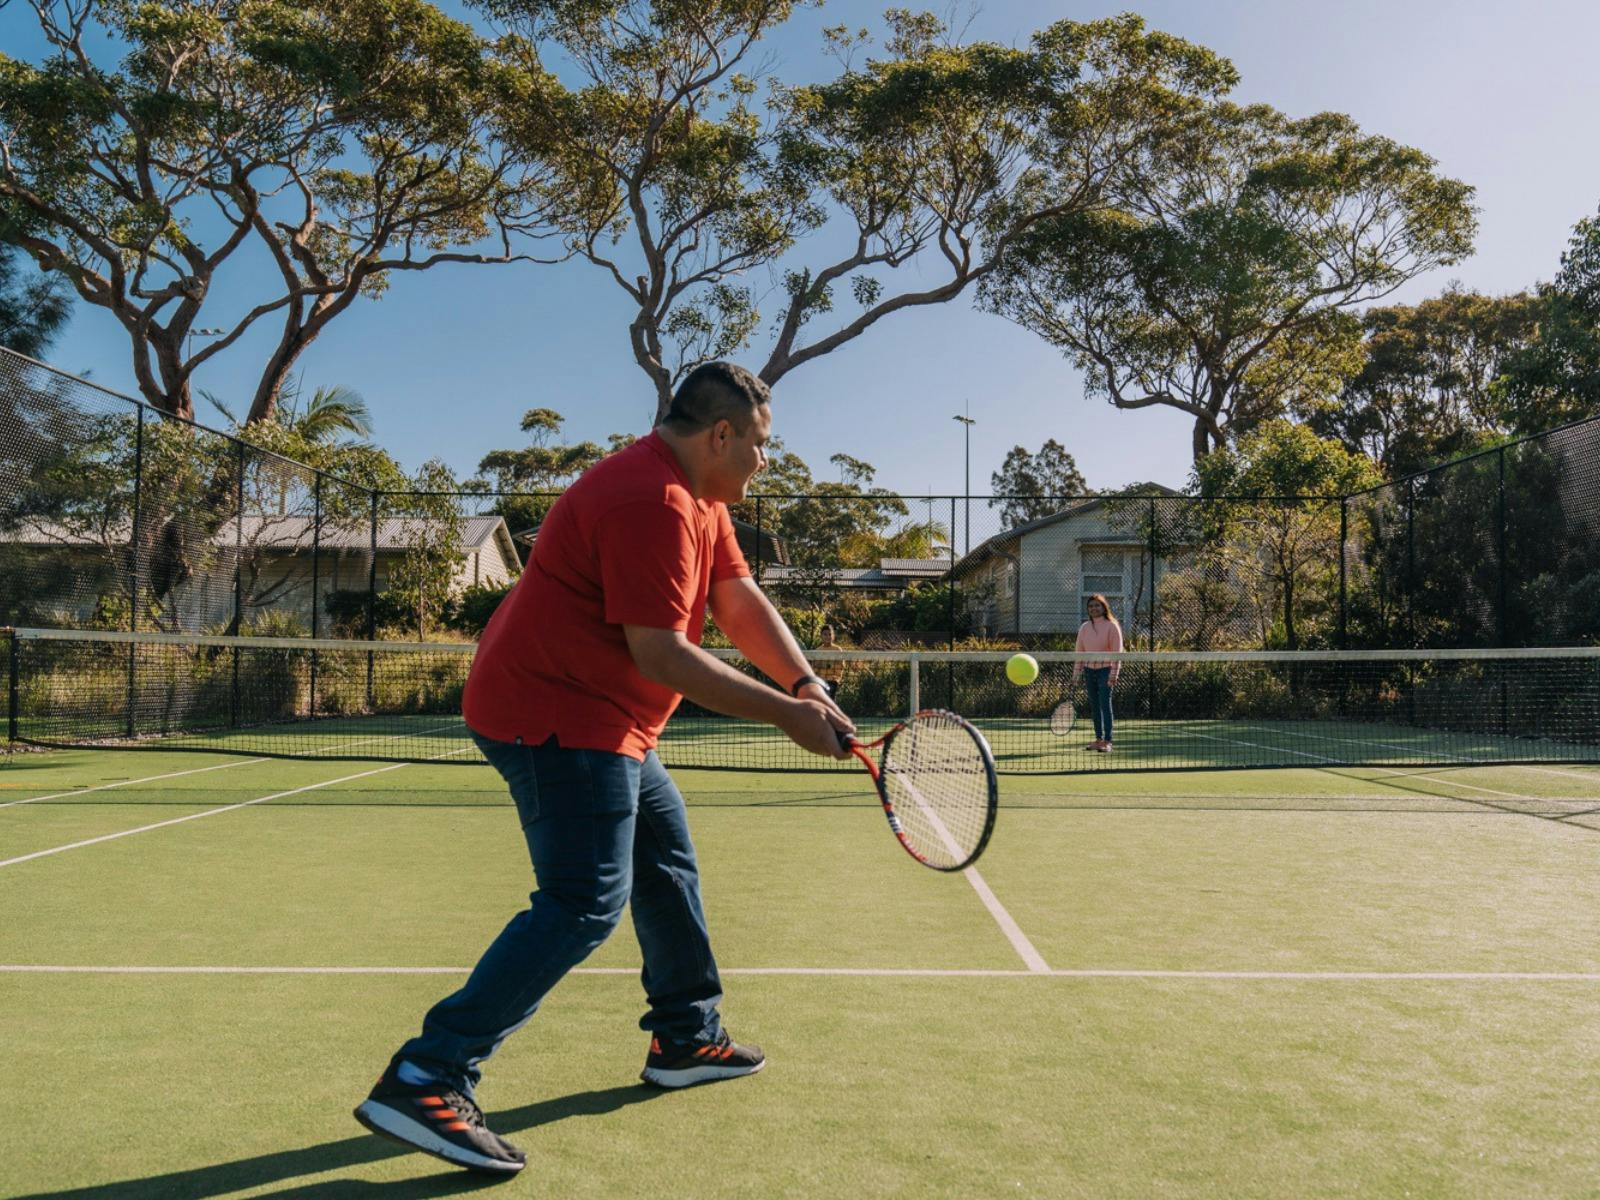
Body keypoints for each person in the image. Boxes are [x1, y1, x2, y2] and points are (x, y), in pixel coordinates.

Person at [354, 362, 854, 1175]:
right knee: (584, 900)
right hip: (555, 713)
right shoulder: (648, 498)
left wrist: (806, 683)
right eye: (761, 444)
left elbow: (736, 596)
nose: (766, 460)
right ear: (720, 435)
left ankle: (687, 1037)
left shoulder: (699, 493)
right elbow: (660, 652)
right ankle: (428, 1074)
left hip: (608, 716)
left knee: (664, 860)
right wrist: (785, 717)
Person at [1073, 593, 1122, 752]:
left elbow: (1117, 653)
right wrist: (1076, 674)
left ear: (1103, 607)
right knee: (1095, 706)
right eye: (1091, 606)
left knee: (1105, 705)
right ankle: (1098, 739)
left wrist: (1114, 674)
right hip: (1089, 671)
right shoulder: (1084, 627)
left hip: (1105, 671)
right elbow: (1079, 652)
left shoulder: (1112, 626)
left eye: (1097, 605)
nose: (1094, 608)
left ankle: (1107, 741)